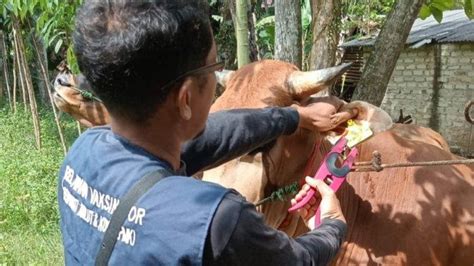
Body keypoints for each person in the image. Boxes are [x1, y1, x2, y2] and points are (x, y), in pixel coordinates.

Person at [58, 1, 347, 265]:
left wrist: (295, 116)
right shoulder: (216, 220)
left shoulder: (83, 152)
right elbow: (297, 260)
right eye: (214, 69)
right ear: (185, 99)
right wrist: (332, 226)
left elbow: (212, 139)